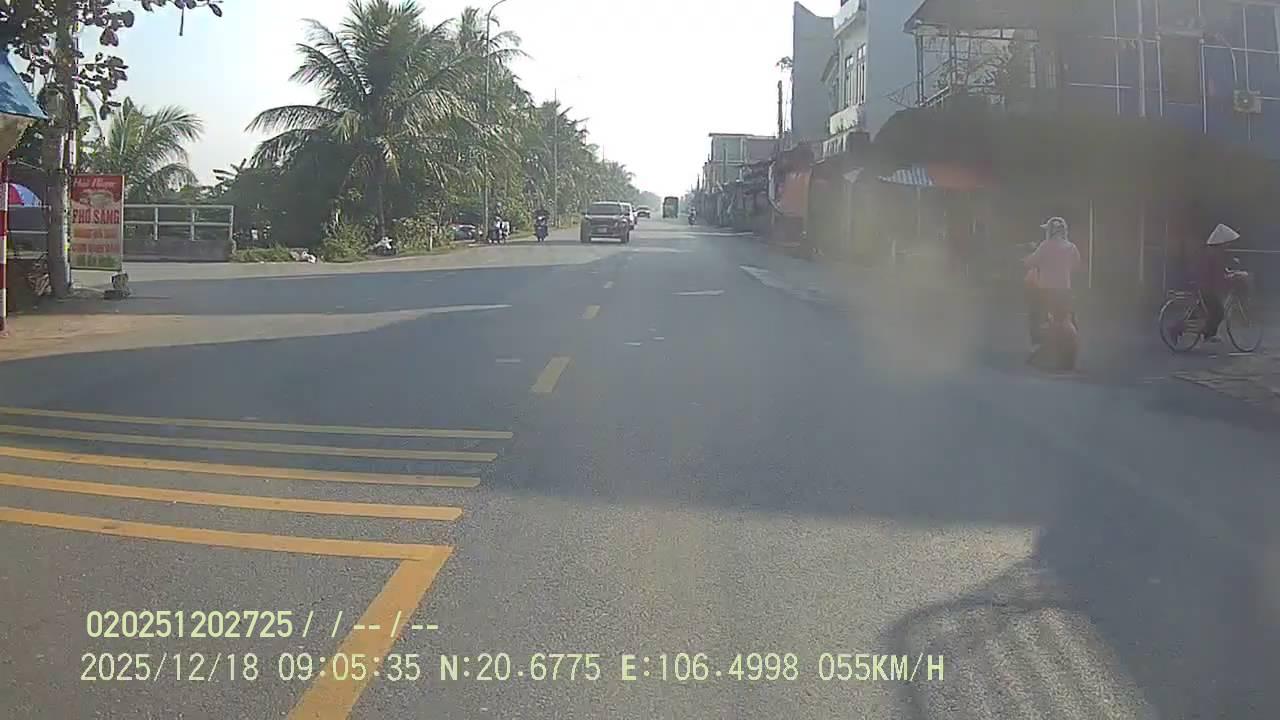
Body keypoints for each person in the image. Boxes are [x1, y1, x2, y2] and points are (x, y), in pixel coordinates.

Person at [1024, 216, 1082, 347]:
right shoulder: (1071, 247)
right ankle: (1073, 341)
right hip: (1064, 290)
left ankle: (1036, 344)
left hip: (1045, 290)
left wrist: (1028, 258)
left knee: (1035, 315)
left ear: (1050, 231)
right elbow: (1076, 265)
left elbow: (1030, 262)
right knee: (1069, 316)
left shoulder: (1045, 246)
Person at [1197, 223, 1242, 343]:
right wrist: (1230, 277)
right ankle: (1207, 334)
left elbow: (1220, 269)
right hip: (1207, 287)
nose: (1229, 245)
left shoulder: (1213, 251)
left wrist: (1227, 273)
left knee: (1210, 310)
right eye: (1227, 242)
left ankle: (1210, 332)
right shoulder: (1214, 254)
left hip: (1206, 285)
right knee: (1219, 312)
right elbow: (1217, 273)